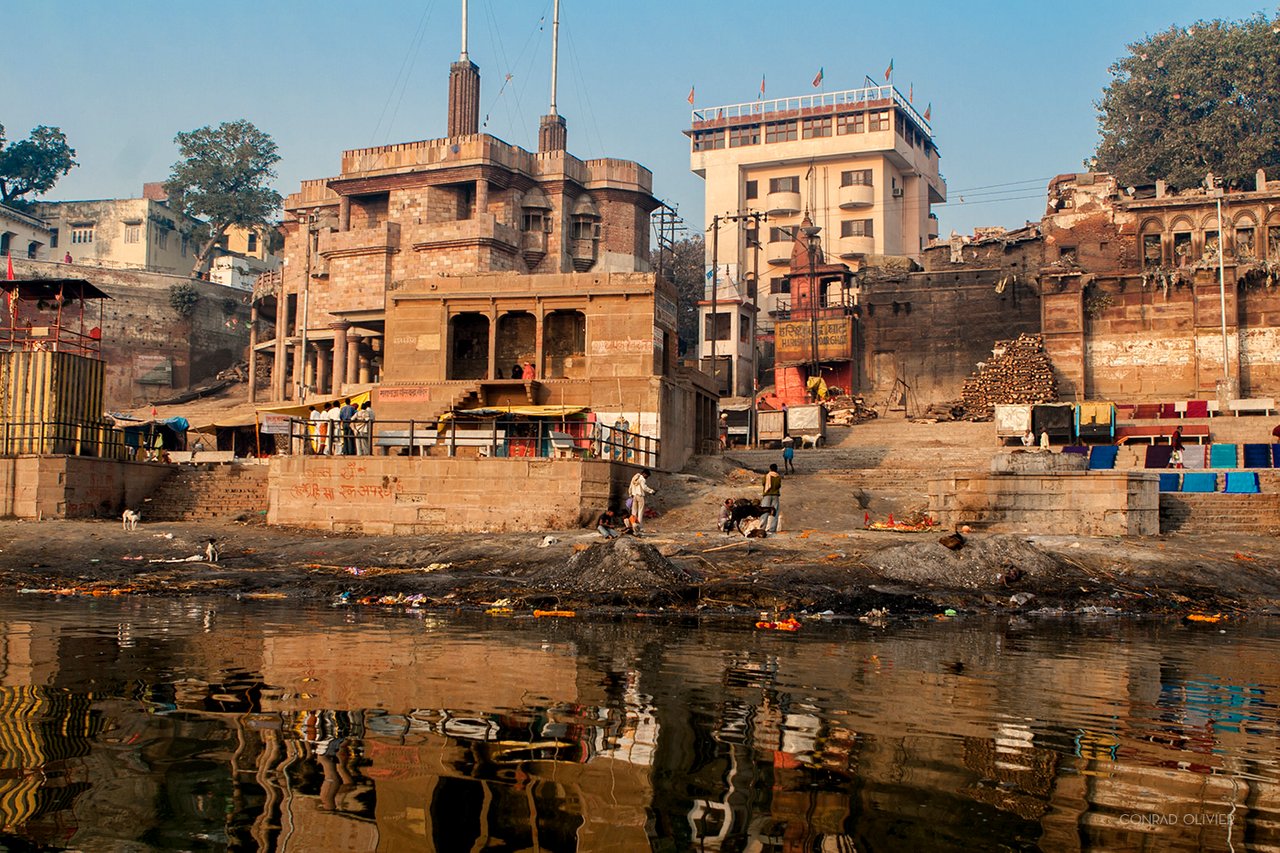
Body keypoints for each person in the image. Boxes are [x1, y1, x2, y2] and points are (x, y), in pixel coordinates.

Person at [629, 468, 655, 535]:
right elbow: (644, 488)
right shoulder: (642, 479)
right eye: (647, 476)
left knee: (634, 512)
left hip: (634, 496)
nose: (647, 477)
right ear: (644, 474)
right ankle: (639, 527)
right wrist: (651, 491)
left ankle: (633, 525)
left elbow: (630, 487)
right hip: (640, 496)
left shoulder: (634, 477)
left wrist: (630, 494)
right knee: (640, 511)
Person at [761, 463, 782, 534]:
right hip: (775, 495)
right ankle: (772, 529)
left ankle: (762, 527)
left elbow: (763, 483)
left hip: (767, 495)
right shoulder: (778, 477)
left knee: (764, 511)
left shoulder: (767, 476)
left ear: (770, 469)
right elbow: (779, 485)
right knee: (774, 512)